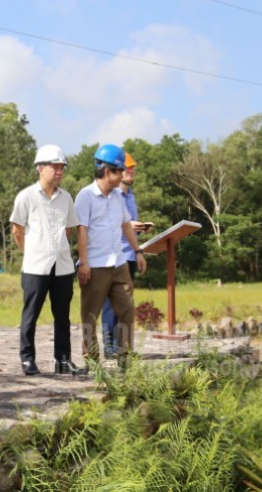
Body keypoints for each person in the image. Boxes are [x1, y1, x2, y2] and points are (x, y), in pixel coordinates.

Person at [9, 145, 85, 377]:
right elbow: (17, 230)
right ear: (40, 168)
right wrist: (31, 251)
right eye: (55, 166)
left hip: (62, 265)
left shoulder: (66, 198)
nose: (60, 171)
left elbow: (70, 230)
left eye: (62, 167)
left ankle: (63, 360)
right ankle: (28, 359)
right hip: (35, 266)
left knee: (62, 315)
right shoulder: (27, 196)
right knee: (30, 314)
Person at [75, 144, 147, 364]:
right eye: (119, 170)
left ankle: (125, 356)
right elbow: (81, 230)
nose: (123, 175)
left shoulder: (117, 196)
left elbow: (126, 225)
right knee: (90, 316)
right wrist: (84, 262)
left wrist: (138, 251)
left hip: (119, 264)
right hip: (95, 265)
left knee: (126, 309)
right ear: (108, 171)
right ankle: (91, 358)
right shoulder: (85, 196)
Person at [100, 151, 148, 358]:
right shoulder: (111, 195)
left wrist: (138, 231)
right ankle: (110, 348)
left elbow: (127, 225)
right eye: (127, 168)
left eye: (132, 168)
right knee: (111, 305)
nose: (131, 171)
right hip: (112, 256)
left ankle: (123, 347)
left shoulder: (131, 196)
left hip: (128, 256)